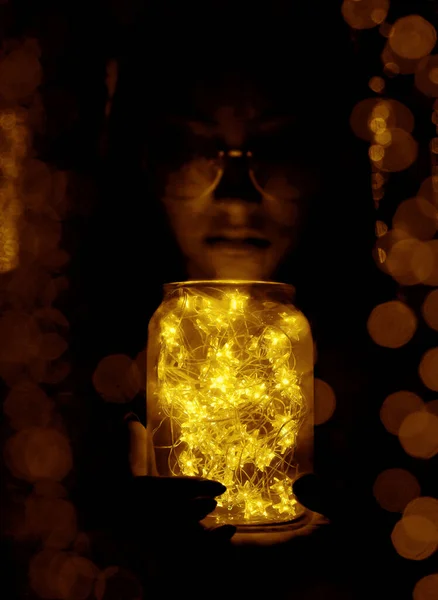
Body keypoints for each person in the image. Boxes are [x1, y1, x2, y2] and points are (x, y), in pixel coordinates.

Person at [69, 3, 392, 598]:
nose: (238, 198)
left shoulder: (402, 413)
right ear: (142, 162)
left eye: (280, 149)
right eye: (191, 149)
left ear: (328, 163)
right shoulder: (58, 411)